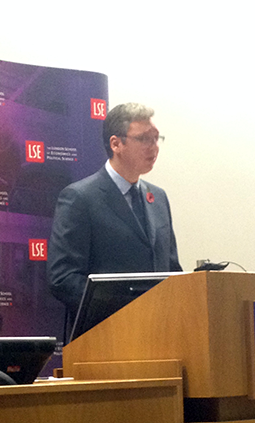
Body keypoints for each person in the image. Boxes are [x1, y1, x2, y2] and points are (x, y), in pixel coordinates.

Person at [47, 103, 182, 318]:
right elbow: (63, 278)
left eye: (157, 138)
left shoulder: (158, 199)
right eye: (145, 139)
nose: (154, 146)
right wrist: (125, 309)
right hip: (106, 337)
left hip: (160, 332)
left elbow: (172, 269)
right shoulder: (80, 198)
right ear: (116, 143)